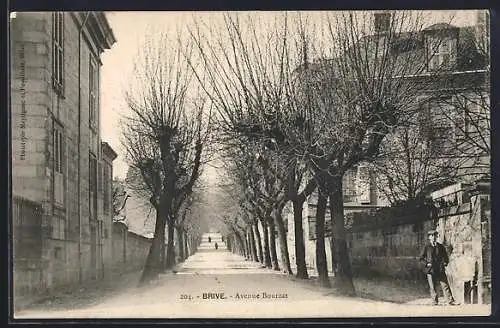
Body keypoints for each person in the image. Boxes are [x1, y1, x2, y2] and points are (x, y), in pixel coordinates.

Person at [419, 230, 458, 306]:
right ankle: (434, 301)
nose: (433, 237)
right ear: (429, 237)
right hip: (431, 270)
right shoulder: (426, 247)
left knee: (445, 285)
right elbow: (421, 258)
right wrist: (427, 264)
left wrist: (445, 263)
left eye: (435, 236)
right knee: (432, 286)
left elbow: (445, 257)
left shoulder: (440, 246)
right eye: (432, 236)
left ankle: (450, 301)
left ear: (436, 237)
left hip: (440, 269)